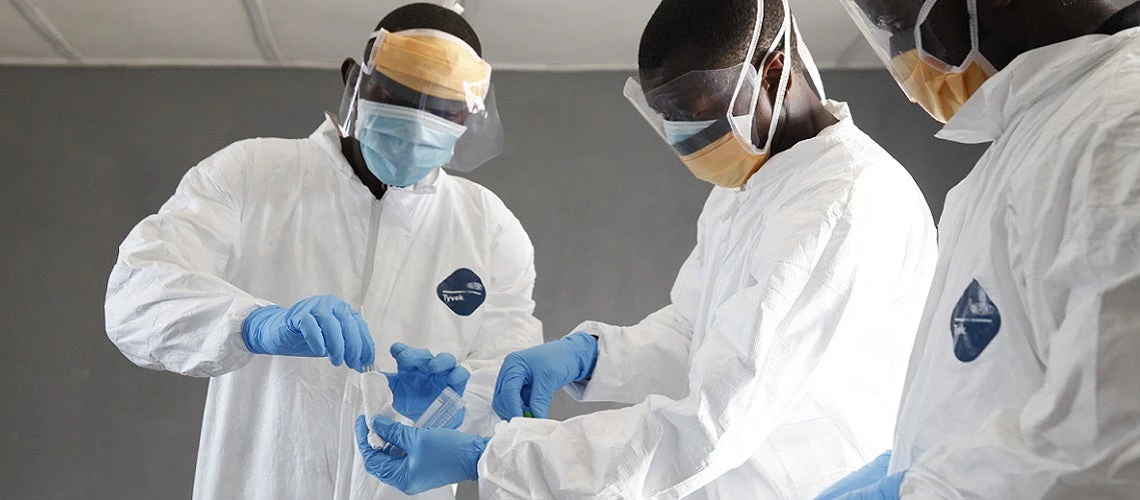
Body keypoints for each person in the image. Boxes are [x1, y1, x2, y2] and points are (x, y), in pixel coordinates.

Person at [353, 0, 939, 497]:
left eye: (696, 113)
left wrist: (487, 457)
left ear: (772, 72)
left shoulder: (841, 201)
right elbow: (695, 332)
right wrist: (590, 355)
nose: (686, 137)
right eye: (668, 119)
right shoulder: (755, 183)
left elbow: (710, 421)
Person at [103, 3, 542, 499]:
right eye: (400, 99)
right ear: (354, 80)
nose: (420, 128)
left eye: (444, 112)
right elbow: (136, 296)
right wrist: (253, 324)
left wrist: (447, 403)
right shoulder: (254, 174)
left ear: (467, 118)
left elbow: (511, 378)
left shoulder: (489, 227)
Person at [817, 0, 1140, 498]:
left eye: (895, 22)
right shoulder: (1035, 132)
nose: (902, 51)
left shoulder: (1119, 125)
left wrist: (910, 492)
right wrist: (913, 456)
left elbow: (1110, 443)